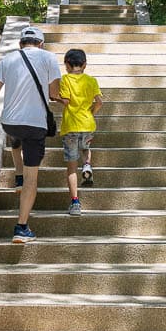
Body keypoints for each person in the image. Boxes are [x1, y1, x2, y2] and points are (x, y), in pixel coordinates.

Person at [0, 26, 63, 243]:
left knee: (15, 137)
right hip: (35, 125)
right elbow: (53, 93)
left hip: (10, 122)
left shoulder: (8, 60)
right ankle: (21, 227)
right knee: (33, 178)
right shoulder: (49, 58)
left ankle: (17, 175)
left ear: (21, 43)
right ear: (41, 43)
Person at [58, 48, 102, 216]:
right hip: (88, 124)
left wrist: (55, 97)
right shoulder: (91, 81)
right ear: (84, 65)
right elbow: (99, 102)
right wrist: (91, 112)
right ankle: (87, 165)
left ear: (67, 65)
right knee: (86, 148)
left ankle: (75, 203)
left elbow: (67, 101)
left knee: (71, 167)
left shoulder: (65, 80)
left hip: (71, 126)